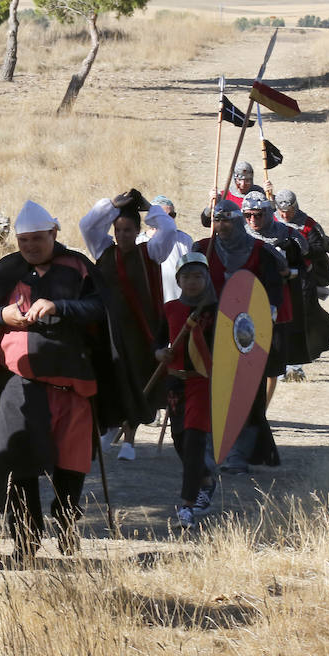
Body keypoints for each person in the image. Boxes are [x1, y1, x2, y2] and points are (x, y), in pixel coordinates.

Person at [0, 201, 109, 565]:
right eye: (23, 240)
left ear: (53, 234)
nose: (29, 246)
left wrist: (60, 306)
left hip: (71, 383)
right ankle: (26, 541)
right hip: (20, 382)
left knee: (70, 464)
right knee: (17, 461)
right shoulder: (8, 269)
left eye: (37, 239)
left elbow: (102, 309)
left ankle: (65, 524)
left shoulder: (77, 266)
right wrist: (3, 314)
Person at [79, 189, 181, 461]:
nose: (122, 236)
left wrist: (150, 208)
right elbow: (87, 225)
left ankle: (130, 440)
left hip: (140, 329)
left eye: (127, 231)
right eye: (118, 230)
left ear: (138, 231)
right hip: (108, 329)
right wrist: (112, 205)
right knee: (110, 379)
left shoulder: (152, 251)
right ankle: (107, 429)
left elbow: (168, 230)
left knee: (137, 380)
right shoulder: (103, 250)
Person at [192, 199, 286, 474]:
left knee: (246, 394)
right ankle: (211, 449)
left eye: (227, 220)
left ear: (238, 221)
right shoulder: (202, 248)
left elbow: (273, 293)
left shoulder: (260, 251)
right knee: (212, 392)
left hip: (247, 336)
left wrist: (264, 320)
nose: (222, 226)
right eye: (217, 220)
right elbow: (188, 284)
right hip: (210, 332)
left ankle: (239, 453)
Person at [155, 252, 219, 529]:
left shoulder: (217, 311)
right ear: (178, 280)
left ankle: (187, 505)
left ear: (206, 279)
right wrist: (160, 353)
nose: (192, 282)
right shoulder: (169, 309)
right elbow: (157, 341)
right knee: (180, 440)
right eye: (187, 277)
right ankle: (204, 479)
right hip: (175, 382)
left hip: (203, 382)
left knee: (194, 440)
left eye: (198, 276)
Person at [240, 192, 309, 395]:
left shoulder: (288, 236)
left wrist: (290, 272)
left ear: (269, 213)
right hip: (244, 304)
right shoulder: (237, 237)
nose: (253, 219)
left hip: (278, 303)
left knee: (272, 362)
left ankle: (262, 410)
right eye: (248, 215)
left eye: (258, 214)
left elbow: (304, 269)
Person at [274, 188, 329, 370]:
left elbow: (320, 247)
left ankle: (297, 362)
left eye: (288, 211)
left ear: (295, 207)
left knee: (302, 317)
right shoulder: (270, 220)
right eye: (282, 211)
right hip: (277, 277)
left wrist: (302, 249)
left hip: (303, 278)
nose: (285, 215)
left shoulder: (308, 224)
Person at [150, 196, 196, 303]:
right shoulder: (140, 241)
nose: (169, 220)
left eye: (172, 215)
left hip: (178, 304)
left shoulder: (185, 240)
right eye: (164, 216)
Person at [199, 161, 265, 228]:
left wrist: (271, 197)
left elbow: (272, 217)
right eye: (239, 180)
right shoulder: (224, 196)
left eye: (247, 180)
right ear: (234, 179)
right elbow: (206, 222)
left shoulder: (259, 194)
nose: (243, 184)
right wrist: (211, 205)